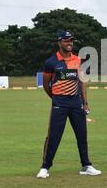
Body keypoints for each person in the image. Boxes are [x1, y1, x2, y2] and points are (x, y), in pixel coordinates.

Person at [36, 30, 101, 178]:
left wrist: (85, 102)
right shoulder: (51, 62)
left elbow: (82, 82)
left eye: (71, 40)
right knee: (54, 135)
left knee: (82, 135)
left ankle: (86, 165)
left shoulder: (78, 60)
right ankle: (45, 167)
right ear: (59, 42)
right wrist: (55, 98)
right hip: (59, 102)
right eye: (66, 40)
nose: (69, 43)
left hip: (76, 102)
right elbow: (47, 84)